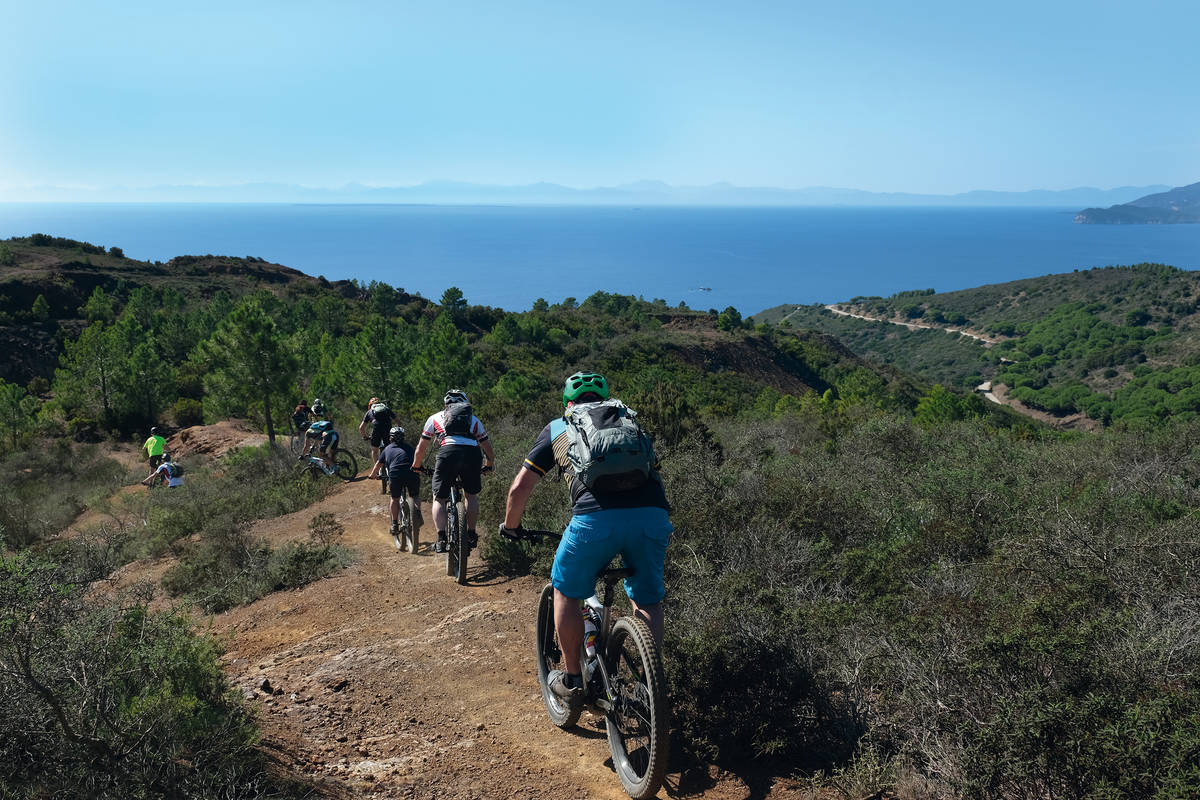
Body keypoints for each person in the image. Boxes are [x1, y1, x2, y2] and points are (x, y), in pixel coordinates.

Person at [499, 371, 671, 708]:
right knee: (647, 599)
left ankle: (574, 679)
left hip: (594, 521)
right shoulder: (629, 420)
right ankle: (649, 682)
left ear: (567, 403)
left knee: (566, 591)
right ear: (606, 396)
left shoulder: (558, 427)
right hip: (652, 515)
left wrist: (511, 526)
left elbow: (521, 487)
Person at [410, 389, 495, 554]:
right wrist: (489, 463)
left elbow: (421, 448)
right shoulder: (474, 420)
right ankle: (471, 533)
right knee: (470, 495)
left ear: (445, 404)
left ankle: (441, 538)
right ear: (465, 404)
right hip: (472, 455)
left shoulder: (434, 418)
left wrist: (416, 465)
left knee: (439, 498)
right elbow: (487, 448)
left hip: (447, 453)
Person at [377, 426, 423, 539]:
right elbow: (417, 459)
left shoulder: (387, 449)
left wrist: (372, 475)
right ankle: (416, 513)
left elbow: (379, 464)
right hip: (412, 474)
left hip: (396, 475)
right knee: (415, 495)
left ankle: (394, 524)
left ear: (390, 438)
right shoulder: (410, 447)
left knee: (395, 499)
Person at [361, 397, 395, 490]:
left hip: (377, 429)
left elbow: (361, 427)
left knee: (375, 450)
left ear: (370, 406)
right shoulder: (386, 409)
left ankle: (378, 471)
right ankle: (392, 466)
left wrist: (364, 437)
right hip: (388, 429)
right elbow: (398, 421)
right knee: (391, 449)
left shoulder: (369, 412)